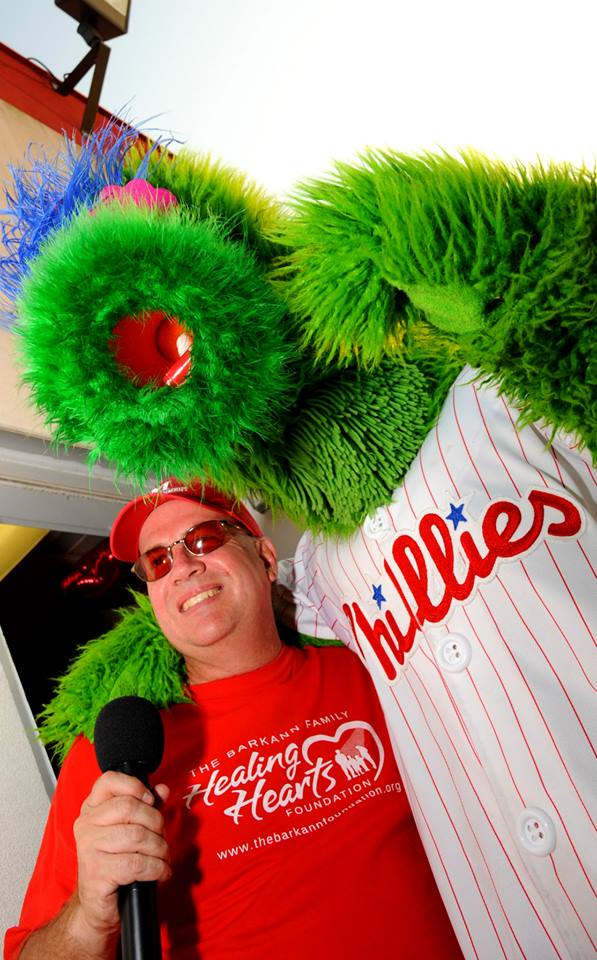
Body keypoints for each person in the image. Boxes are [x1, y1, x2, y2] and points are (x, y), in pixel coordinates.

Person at [5, 479, 462, 960]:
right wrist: (90, 914)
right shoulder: (114, 760)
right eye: (158, 561)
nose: (181, 566)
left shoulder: (376, 669)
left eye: (204, 538)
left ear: (266, 558)